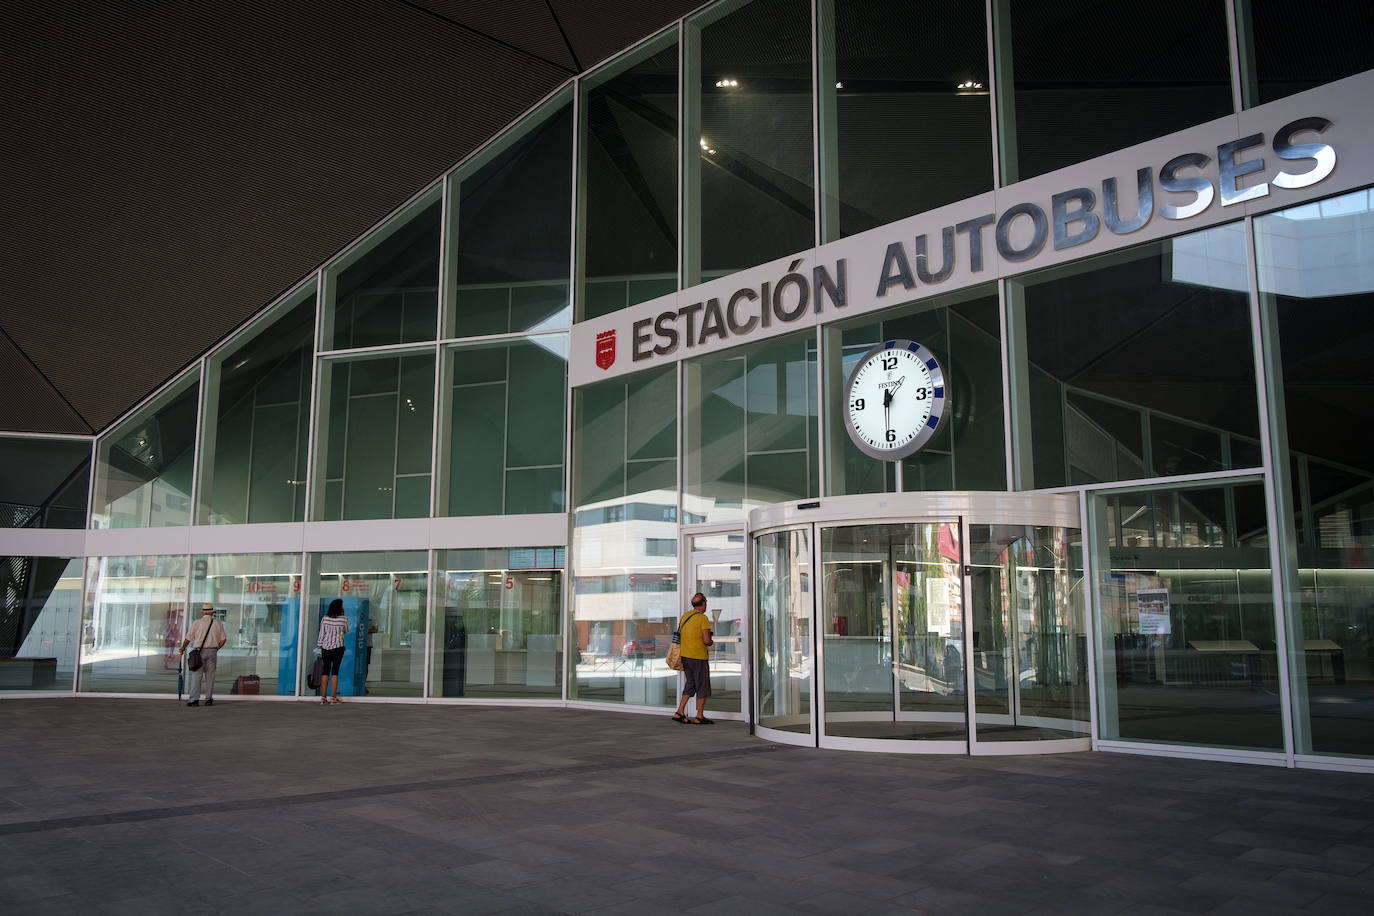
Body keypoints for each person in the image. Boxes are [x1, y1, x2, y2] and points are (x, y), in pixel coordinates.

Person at [672, 592, 714, 725]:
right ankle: (699, 716)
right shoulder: (703, 618)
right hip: (698, 657)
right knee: (702, 685)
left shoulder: (685, 616)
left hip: (685, 656)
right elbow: (707, 641)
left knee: (691, 683)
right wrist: (711, 641)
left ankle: (679, 711)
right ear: (703, 604)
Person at [180, 603, 227, 707]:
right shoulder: (218, 623)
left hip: (198, 652)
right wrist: (216, 648)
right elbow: (223, 639)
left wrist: (183, 648)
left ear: (203, 612)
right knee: (210, 676)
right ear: (212, 612)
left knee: (197, 676)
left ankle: (194, 700)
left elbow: (188, 638)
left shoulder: (197, 623)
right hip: (212, 651)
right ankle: (208, 699)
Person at [316, 598, 350, 705]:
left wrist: (319, 647)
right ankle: (333, 698)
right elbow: (346, 631)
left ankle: (323, 697)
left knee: (325, 671)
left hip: (325, 648)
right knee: (335, 672)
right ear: (340, 608)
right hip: (338, 648)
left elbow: (321, 634)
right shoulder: (344, 619)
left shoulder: (325, 618)